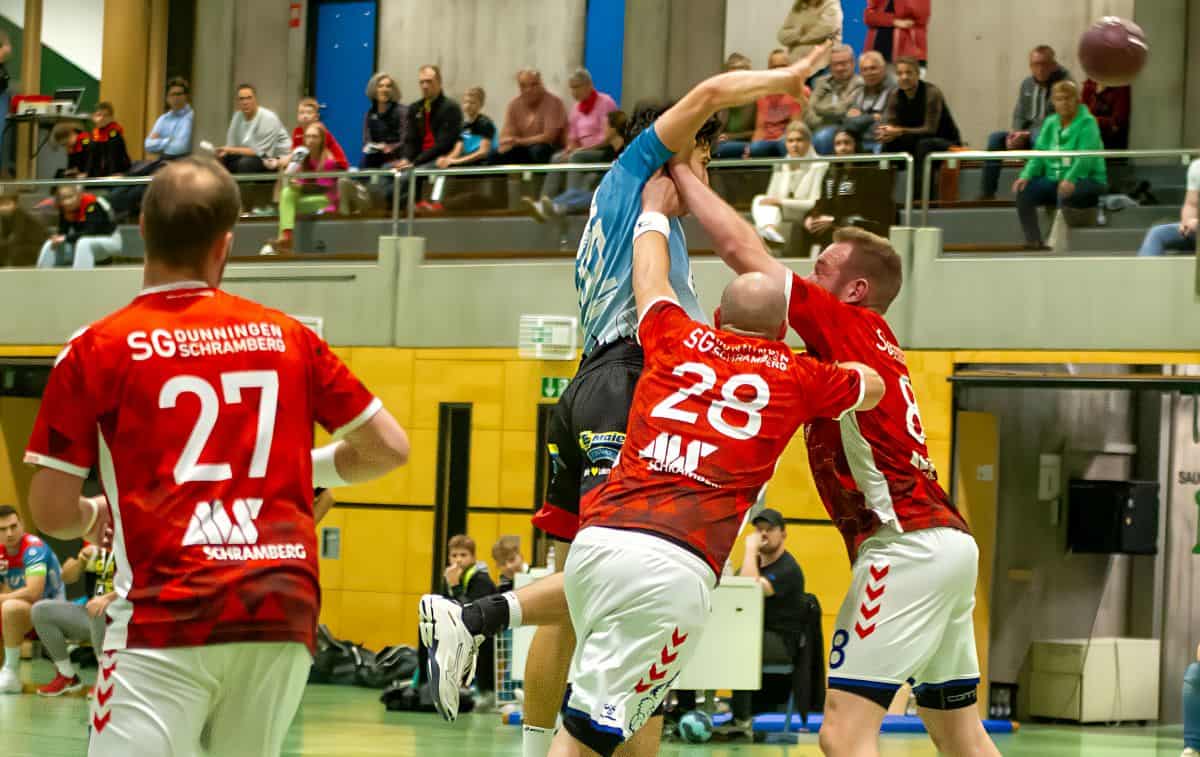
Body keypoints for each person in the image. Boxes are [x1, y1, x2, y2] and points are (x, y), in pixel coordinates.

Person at [418, 42, 836, 757]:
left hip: (593, 383)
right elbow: (707, 93)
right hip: (627, 381)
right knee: (641, 572)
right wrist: (784, 78)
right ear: (682, 148)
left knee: (584, 580)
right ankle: (476, 618)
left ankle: (531, 734)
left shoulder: (634, 217)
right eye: (705, 157)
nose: (705, 174)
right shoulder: (637, 178)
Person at [23, 156, 410, 756]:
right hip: (280, 606)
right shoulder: (289, 336)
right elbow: (388, 448)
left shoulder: (95, 348)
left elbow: (51, 511)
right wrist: (295, 468)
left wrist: (94, 514)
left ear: (142, 230)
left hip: (167, 613)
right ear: (225, 244)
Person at [663, 162, 1002, 757]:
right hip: (944, 543)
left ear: (854, 290)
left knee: (842, 734)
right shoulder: (854, 351)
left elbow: (744, 254)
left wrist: (682, 174)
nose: (804, 277)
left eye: (820, 269)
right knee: (959, 732)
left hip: (903, 546)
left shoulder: (847, 324)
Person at [547, 172, 882, 757]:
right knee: (589, 735)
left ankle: (488, 615)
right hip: (675, 565)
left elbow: (649, 279)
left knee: (602, 718)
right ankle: (480, 618)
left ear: (718, 317)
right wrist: (835, 359)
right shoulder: (797, 374)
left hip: (596, 544)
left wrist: (653, 210)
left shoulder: (674, 334)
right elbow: (871, 386)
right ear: (782, 331)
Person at [734, 508, 810, 727]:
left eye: (769, 529)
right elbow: (736, 591)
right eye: (759, 530)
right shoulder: (754, 566)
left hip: (782, 642)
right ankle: (686, 708)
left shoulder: (788, 568)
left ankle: (741, 719)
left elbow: (750, 589)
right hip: (757, 634)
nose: (764, 534)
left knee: (741, 643)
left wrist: (750, 550)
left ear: (783, 534)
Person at [1013, 80, 1106, 250]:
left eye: (1068, 98)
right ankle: (1033, 241)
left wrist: (1070, 179)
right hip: (1055, 178)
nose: (1064, 103)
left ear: (1077, 100)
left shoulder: (1088, 122)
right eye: (1059, 99)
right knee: (1024, 190)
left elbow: (1085, 158)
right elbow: (1040, 152)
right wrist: (1026, 175)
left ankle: (1056, 245)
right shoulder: (1050, 122)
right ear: (1053, 102)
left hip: (1087, 179)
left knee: (1063, 192)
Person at [980, 45, 1072, 201]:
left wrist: (1027, 134)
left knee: (1038, 137)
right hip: (1027, 133)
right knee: (995, 139)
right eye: (1035, 65)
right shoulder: (1027, 84)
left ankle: (1036, 191)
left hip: (1050, 135)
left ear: (1053, 65)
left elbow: (1059, 118)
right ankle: (987, 194)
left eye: (1044, 64)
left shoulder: (1064, 84)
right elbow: (1019, 113)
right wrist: (1015, 134)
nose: (1040, 69)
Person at [32, 530, 117, 696]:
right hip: (93, 615)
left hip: (125, 617)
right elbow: (67, 577)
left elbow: (136, 585)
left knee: (98, 607)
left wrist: (106, 598)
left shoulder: (131, 541)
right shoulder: (92, 540)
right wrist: (81, 560)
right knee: (40, 610)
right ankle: (67, 675)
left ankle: (106, 677)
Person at [0, 504, 66, 693]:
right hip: (25, 611)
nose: (9, 533)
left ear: (22, 524)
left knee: (10, 607)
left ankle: (11, 672)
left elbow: (34, 592)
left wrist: (4, 596)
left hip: (52, 611)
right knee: (9, 606)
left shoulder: (33, 548)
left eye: (13, 526)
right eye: (2, 529)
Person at [878, 56, 961, 199]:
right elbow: (891, 124)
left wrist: (900, 131)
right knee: (887, 146)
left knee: (924, 145)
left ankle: (920, 199)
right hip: (914, 140)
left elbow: (930, 129)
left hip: (944, 141)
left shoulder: (932, 92)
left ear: (918, 74)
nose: (904, 77)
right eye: (900, 73)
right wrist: (886, 133)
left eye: (909, 73)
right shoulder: (895, 95)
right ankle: (882, 198)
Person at [526, 109, 627, 222]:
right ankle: (541, 207)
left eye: (605, 126)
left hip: (616, 195)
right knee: (574, 193)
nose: (603, 130)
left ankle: (556, 208)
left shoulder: (626, 151)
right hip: (603, 190)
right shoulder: (608, 152)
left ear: (613, 129)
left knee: (593, 196)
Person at [262, 122, 347, 255]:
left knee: (287, 202)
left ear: (321, 139)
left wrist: (300, 186)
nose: (310, 140)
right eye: (308, 136)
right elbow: (297, 178)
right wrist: (292, 179)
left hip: (325, 200)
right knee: (286, 193)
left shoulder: (329, 160)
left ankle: (285, 240)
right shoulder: (302, 156)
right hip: (306, 196)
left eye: (314, 137)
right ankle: (286, 238)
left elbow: (323, 188)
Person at [716, 49, 807, 159]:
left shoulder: (797, 91)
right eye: (774, 67)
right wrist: (752, 148)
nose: (778, 69)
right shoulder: (763, 95)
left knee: (787, 145)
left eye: (783, 65)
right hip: (764, 142)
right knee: (751, 148)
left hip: (786, 139)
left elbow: (795, 126)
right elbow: (760, 128)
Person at [752, 120, 827, 245]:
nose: (794, 145)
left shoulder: (820, 165)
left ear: (809, 142)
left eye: (799, 140)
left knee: (765, 208)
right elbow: (770, 196)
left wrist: (781, 201)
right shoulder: (782, 164)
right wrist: (777, 201)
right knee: (759, 199)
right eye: (790, 141)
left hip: (805, 213)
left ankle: (766, 233)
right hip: (782, 212)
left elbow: (813, 203)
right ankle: (769, 230)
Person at [425, 86, 497, 212]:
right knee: (438, 166)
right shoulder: (465, 126)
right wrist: (447, 159)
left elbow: (483, 152)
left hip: (482, 164)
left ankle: (438, 204)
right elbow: (458, 149)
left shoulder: (485, 123)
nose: (468, 106)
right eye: (466, 102)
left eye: (472, 103)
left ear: (480, 104)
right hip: (467, 162)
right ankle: (433, 202)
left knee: (451, 169)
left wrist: (456, 161)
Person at [36, 184, 122, 269]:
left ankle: (80, 276)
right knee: (52, 242)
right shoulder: (64, 208)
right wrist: (58, 238)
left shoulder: (93, 205)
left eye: (70, 197)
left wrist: (65, 238)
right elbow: (62, 232)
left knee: (83, 243)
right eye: (63, 198)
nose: (67, 202)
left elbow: (91, 232)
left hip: (109, 240)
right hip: (84, 242)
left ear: (79, 195)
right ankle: (43, 273)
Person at [495, 69, 568, 165]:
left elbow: (548, 137)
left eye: (534, 84)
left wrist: (519, 141)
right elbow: (506, 137)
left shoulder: (553, 102)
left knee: (538, 150)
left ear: (541, 84)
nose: (528, 89)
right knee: (495, 155)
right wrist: (509, 143)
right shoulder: (514, 105)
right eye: (523, 86)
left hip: (549, 150)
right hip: (524, 150)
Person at [216, 83, 291, 174]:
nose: (245, 102)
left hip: (275, 160)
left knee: (245, 164)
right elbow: (231, 146)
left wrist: (230, 150)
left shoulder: (268, 118)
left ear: (255, 99)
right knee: (222, 160)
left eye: (249, 98)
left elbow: (261, 153)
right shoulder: (237, 117)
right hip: (249, 156)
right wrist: (223, 153)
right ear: (237, 102)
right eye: (241, 99)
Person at [806, 45, 863, 156]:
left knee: (822, 137)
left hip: (842, 131)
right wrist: (828, 114)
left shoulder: (859, 83)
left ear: (853, 63)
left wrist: (818, 109)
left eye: (843, 63)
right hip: (816, 127)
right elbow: (809, 113)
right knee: (787, 140)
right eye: (835, 64)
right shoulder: (820, 82)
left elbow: (841, 110)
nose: (839, 68)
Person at [1138, 158, 1199, 256]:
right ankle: (1147, 266)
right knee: (1157, 234)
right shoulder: (1197, 167)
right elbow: (1191, 204)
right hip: (1197, 231)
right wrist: (1187, 222)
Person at [843, 51, 894, 153]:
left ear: (883, 69)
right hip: (858, 140)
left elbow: (882, 125)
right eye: (864, 69)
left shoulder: (893, 91)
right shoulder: (858, 93)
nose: (869, 73)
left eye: (873, 68)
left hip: (881, 142)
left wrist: (860, 118)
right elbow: (848, 124)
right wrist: (872, 117)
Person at [778, 0, 843, 73]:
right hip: (794, 67)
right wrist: (799, 32)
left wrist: (797, 39)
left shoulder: (831, 4)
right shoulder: (798, 5)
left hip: (820, 68)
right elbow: (782, 36)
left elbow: (825, 30)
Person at [713, 53, 756, 157]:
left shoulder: (755, 100)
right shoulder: (718, 100)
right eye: (733, 78)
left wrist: (731, 136)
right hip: (721, 145)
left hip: (747, 144)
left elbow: (759, 131)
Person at [361, 72, 407, 169]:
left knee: (384, 167)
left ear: (393, 90)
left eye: (388, 86)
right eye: (380, 86)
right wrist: (375, 146)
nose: (384, 89)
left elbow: (405, 140)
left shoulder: (402, 111)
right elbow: (366, 140)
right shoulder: (370, 113)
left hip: (396, 157)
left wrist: (389, 147)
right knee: (363, 166)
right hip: (375, 156)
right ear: (374, 90)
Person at [864, 0, 930, 65]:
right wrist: (894, 21)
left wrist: (883, 18)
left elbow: (917, 14)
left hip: (907, 55)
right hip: (876, 52)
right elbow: (869, 17)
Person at [144, 78, 195, 162]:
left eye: (179, 94)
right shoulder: (163, 119)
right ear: (167, 98)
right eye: (173, 94)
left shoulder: (191, 117)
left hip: (185, 163)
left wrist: (159, 142)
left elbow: (180, 147)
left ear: (186, 96)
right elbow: (148, 145)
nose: (176, 98)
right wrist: (168, 140)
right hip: (164, 162)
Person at [83, 102, 132, 178]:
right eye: (99, 115)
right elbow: (91, 159)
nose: (102, 118)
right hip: (98, 175)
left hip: (116, 173)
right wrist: (87, 174)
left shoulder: (115, 134)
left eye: (106, 115)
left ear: (111, 118)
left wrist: (114, 173)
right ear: (93, 117)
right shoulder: (93, 135)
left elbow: (115, 157)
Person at [1080, 79, 1131, 151]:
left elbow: (1117, 123)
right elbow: (1082, 112)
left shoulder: (1121, 86)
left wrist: (1092, 121)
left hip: (1111, 147)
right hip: (1088, 143)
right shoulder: (1089, 83)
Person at [0, 189, 46, 268]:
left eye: (7, 204)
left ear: (16, 205)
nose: (3, 207)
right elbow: (5, 236)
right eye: (1, 204)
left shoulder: (20, 216)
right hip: (21, 246)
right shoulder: (4, 217)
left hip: (36, 247)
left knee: (12, 251)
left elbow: (16, 238)